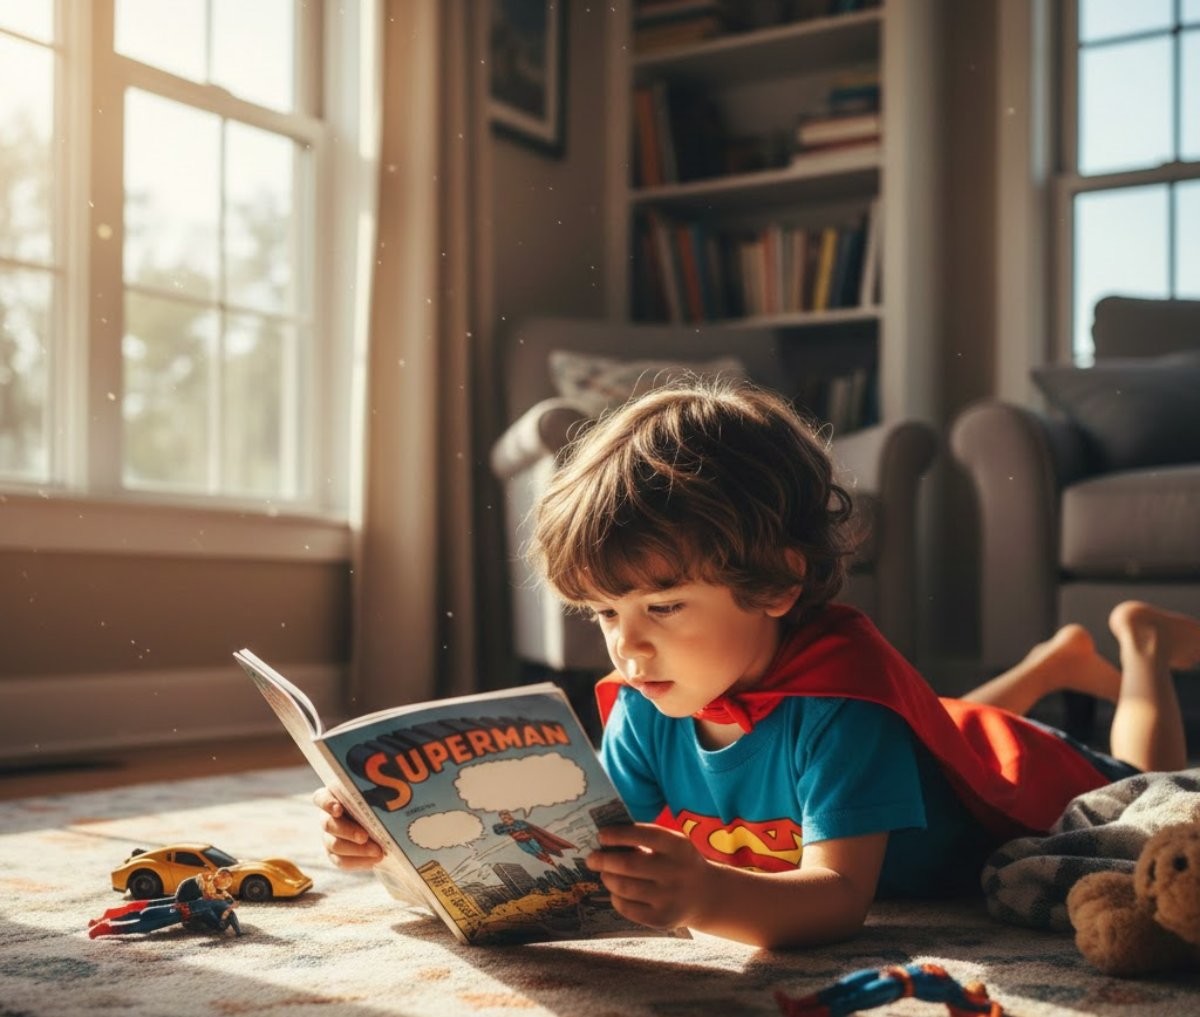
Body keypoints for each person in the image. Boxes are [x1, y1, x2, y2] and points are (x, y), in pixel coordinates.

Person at [314, 381, 1197, 949]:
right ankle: (1056, 660)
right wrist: (404, 837)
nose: (628, 644)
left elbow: (838, 898)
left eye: (662, 606)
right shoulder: (649, 700)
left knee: (1150, 785)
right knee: (937, 711)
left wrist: (705, 894)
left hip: (1022, 769)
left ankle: (1143, 650)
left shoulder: (842, 708)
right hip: (927, 724)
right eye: (605, 613)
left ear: (776, 582)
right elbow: (582, 856)